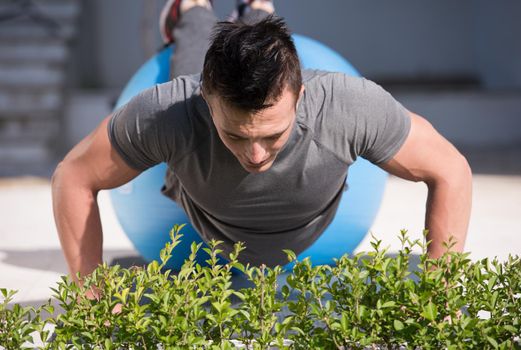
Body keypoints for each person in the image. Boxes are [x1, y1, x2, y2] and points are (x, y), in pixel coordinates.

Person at [52, 0, 472, 283]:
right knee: (197, 53)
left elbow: (450, 170)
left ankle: (257, 9)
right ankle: (193, 10)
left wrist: (439, 294)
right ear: (205, 98)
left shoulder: (348, 106)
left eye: (272, 135)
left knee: (260, 48)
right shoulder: (171, 108)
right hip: (200, 216)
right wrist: (92, 296)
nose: (255, 155)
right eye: (235, 134)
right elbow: (73, 176)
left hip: (314, 220)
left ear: (301, 96)